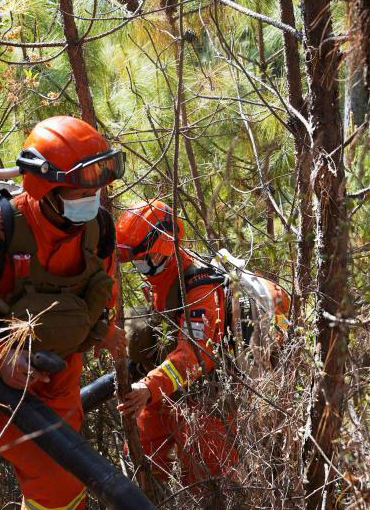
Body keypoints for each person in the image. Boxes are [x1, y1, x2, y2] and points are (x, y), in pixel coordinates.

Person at [0, 116, 127, 510]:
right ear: (45, 188)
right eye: (80, 191)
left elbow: (103, 291)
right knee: (52, 474)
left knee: (68, 480)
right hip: (0, 389)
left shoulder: (98, 230)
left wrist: (109, 331)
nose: (94, 198)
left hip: (62, 378)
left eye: (97, 189)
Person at [114, 200, 241, 509]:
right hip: (161, 390)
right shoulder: (159, 279)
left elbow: (197, 356)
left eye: (145, 259)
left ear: (167, 246)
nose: (140, 267)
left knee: (207, 483)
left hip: (204, 396)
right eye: (136, 261)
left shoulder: (200, 287)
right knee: (143, 461)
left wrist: (149, 386)